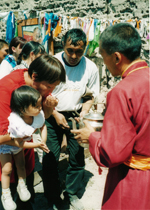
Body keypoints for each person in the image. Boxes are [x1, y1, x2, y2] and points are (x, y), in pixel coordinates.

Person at [71, 23, 150, 210]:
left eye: (103, 55)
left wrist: (91, 136)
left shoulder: (122, 91)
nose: (103, 62)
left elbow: (113, 154)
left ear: (116, 57)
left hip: (133, 180)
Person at [42, 28, 100, 210]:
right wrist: (55, 114)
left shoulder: (90, 67)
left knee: (77, 157)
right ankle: (52, 197)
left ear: (84, 49)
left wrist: (84, 112)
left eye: (79, 52)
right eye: (70, 50)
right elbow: (40, 91)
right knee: (50, 156)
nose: (74, 56)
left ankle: (71, 193)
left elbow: (90, 96)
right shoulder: (52, 63)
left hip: (76, 115)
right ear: (63, 45)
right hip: (52, 113)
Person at [0, 54, 66, 210]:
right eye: (50, 87)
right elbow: (2, 137)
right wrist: (30, 138)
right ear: (35, 76)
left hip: (25, 160)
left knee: (26, 200)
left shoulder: (35, 83)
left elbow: (42, 119)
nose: (51, 92)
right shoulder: (6, 88)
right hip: (5, 164)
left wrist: (49, 108)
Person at [0, 85, 49, 210]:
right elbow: (19, 143)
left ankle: (22, 185)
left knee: (21, 166)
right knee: (7, 170)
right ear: (22, 109)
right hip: (7, 146)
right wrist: (37, 145)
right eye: (36, 106)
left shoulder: (37, 115)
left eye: (39, 105)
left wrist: (42, 141)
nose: (40, 108)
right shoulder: (15, 122)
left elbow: (43, 126)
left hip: (20, 145)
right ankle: (5, 194)